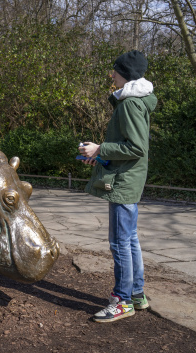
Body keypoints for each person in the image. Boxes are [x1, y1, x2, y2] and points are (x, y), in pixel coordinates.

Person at [78, 50, 157, 323]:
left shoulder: (130, 103)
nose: (111, 74)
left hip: (124, 182)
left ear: (125, 73)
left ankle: (122, 301)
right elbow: (129, 147)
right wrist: (100, 157)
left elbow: (136, 147)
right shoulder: (134, 100)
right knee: (130, 239)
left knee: (120, 242)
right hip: (126, 177)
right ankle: (136, 294)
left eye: (115, 70)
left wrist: (100, 147)